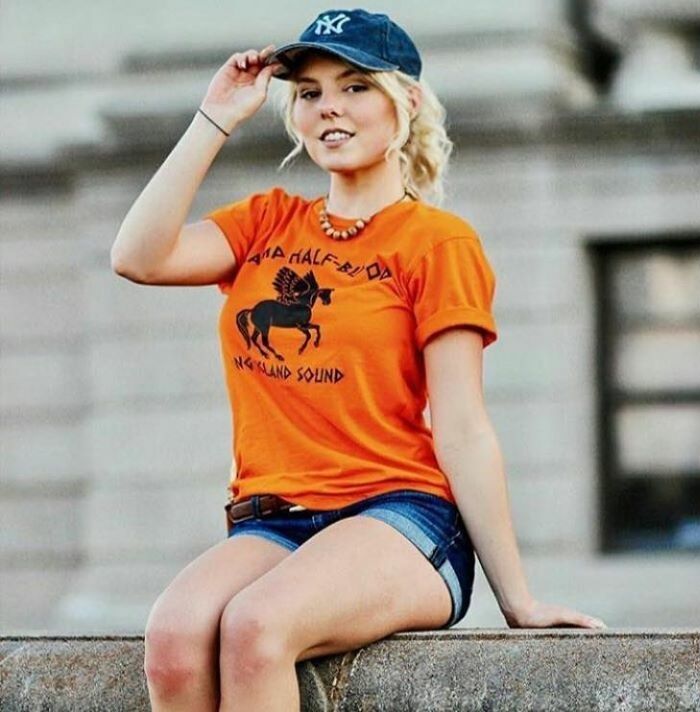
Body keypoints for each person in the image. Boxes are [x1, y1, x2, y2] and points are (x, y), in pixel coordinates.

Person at [111, 8, 606, 711]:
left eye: (353, 87)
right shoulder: (267, 222)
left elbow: (463, 427)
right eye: (309, 93)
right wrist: (215, 117)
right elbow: (136, 257)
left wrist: (516, 599)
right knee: (173, 635)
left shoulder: (437, 243)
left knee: (256, 627)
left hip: (400, 518)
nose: (328, 108)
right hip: (275, 519)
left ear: (403, 100)